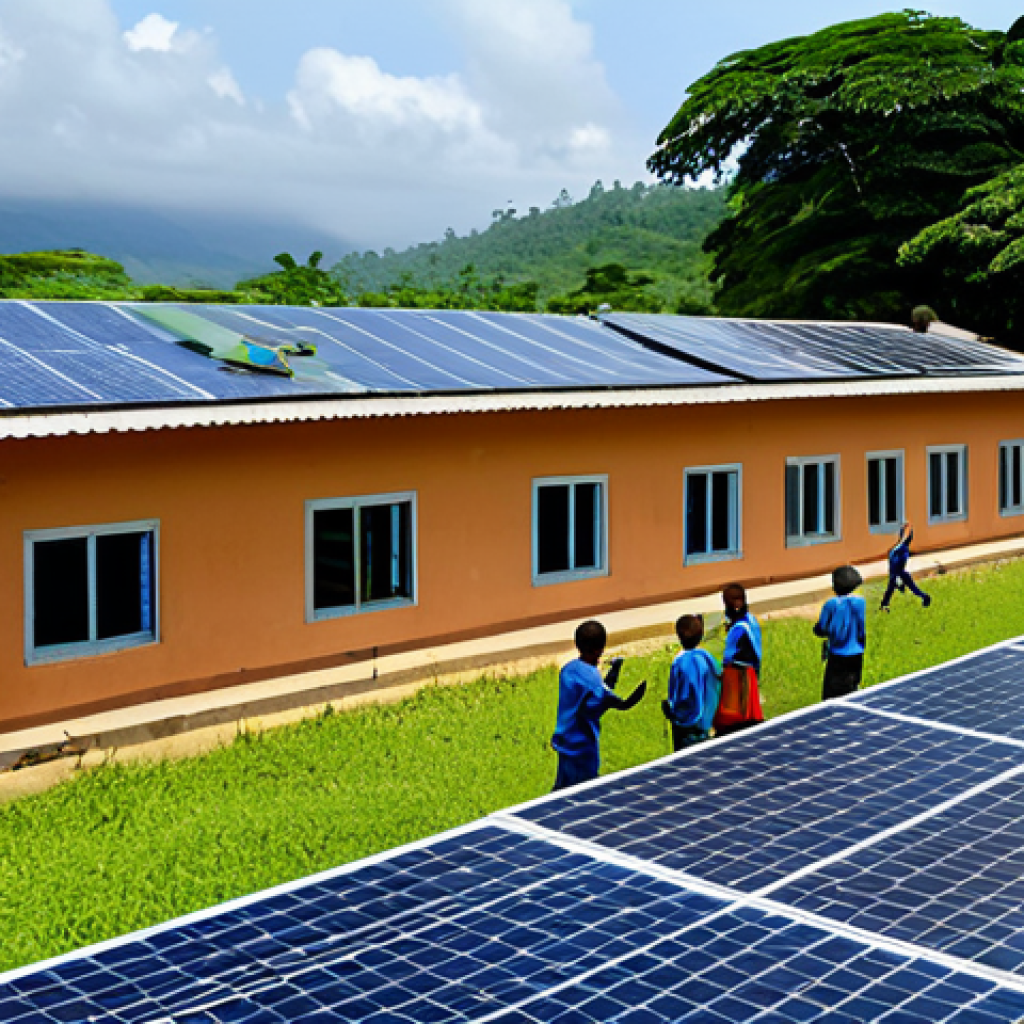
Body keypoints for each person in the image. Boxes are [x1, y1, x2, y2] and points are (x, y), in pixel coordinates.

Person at [550, 620, 647, 791]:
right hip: (583, 751)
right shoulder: (593, 679)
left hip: (564, 745)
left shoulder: (568, 670)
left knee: (561, 791)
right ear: (599, 649)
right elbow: (618, 702)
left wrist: (612, 673)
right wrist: (636, 694)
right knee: (584, 793)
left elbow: (595, 693)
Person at [662, 614, 722, 751]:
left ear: (679, 636)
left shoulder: (681, 662)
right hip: (709, 726)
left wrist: (670, 712)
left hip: (690, 732)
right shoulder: (707, 657)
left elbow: (685, 700)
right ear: (701, 634)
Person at [713, 583, 764, 736]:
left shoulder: (738, 629)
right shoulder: (752, 621)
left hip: (737, 678)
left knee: (732, 723)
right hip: (751, 675)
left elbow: (729, 658)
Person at [814, 565, 867, 700]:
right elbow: (862, 629)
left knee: (831, 694)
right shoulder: (861, 602)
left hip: (837, 655)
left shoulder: (831, 604)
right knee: (851, 688)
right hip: (857, 654)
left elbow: (822, 628)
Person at [881, 522, 931, 612]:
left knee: (892, 590)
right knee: (894, 590)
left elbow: (898, 562)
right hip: (898, 573)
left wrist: (898, 577)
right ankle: (925, 597)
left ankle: (925, 597)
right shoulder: (899, 548)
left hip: (898, 573)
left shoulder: (902, 549)